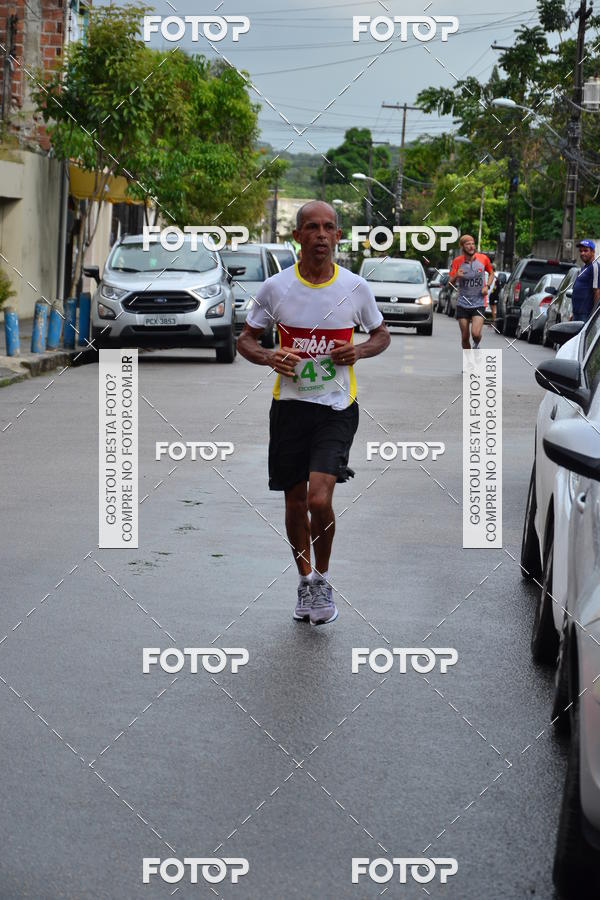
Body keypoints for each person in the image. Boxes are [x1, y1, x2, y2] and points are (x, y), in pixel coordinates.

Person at [237, 201, 390, 626]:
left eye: (328, 228)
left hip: (336, 409)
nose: (321, 235)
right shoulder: (276, 288)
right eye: (312, 228)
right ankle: (306, 582)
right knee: (295, 499)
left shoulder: (356, 288)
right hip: (289, 407)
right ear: (298, 236)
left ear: (338, 236)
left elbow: (381, 335)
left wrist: (358, 349)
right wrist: (270, 357)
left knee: (320, 498)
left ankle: (323, 577)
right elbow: (245, 340)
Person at [448, 235, 495, 351]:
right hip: (463, 303)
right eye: (468, 244)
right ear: (462, 246)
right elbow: (450, 283)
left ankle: (477, 344)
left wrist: (487, 286)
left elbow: (491, 273)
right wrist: (456, 276)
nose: (471, 246)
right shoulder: (457, 261)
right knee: (465, 337)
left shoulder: (483, 259)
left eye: (472, 244)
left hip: (479, 302)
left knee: (476, 334)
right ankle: (469, 363)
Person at [570, 239, 600, 323]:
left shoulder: (595, 267)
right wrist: (573, 314)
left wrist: (593, 316)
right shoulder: (584, 267)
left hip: (586, 314)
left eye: (586, 251)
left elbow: (597, 291)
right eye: (581, 251)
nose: (582, 253)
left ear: (593, 252)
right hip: (577, 313)